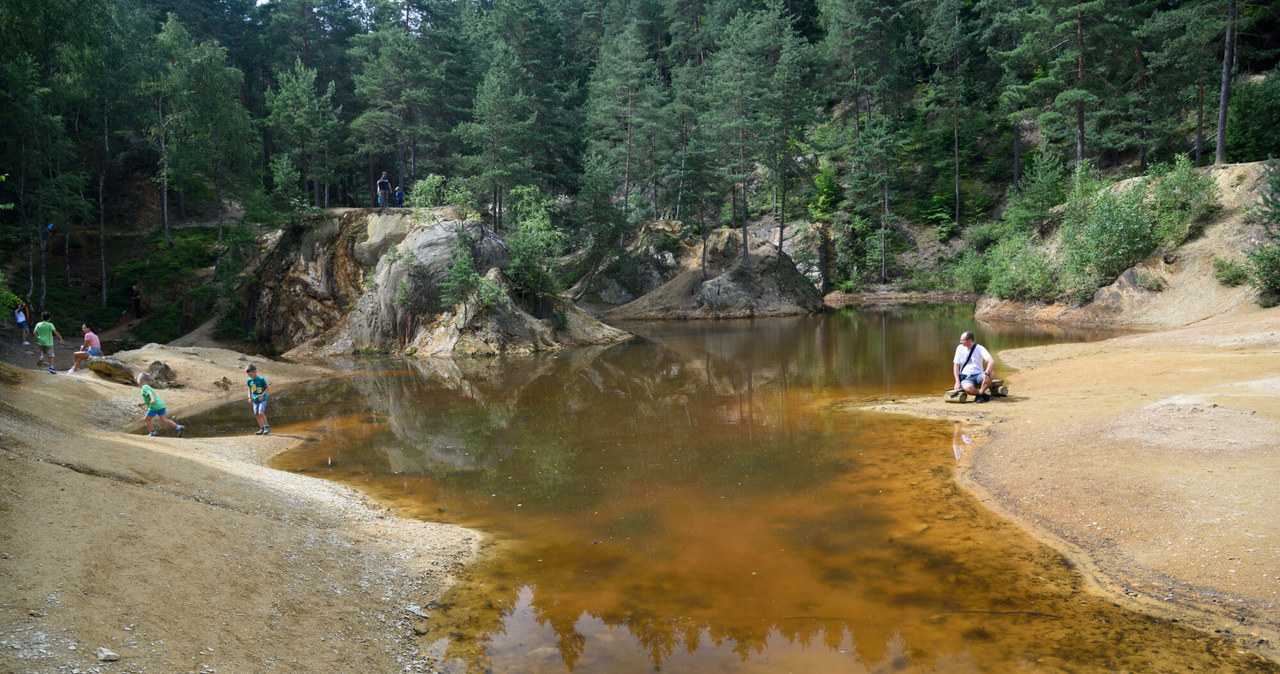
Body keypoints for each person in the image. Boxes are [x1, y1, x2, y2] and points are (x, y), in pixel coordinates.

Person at [952, 330, 996, 403]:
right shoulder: (959, 348)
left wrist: (986, 373)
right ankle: (982, 395)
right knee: (967, 388)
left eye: (962, 340)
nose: (960, 342)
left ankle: (980, 394)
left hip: (979, 375)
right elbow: (956, 365)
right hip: (966, 377)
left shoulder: (979, 348)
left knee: (991, 373)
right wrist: (957, 381)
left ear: (969, 340)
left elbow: (991, 361)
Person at [137, 373, 184, 437]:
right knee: (164, 420)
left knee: (147, 419)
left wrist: (152, 400)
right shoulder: (148, 386)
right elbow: (149, 398)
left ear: (140, 380)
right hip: (161, 405)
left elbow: (150, 394)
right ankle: (178, 427)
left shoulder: (144, 387)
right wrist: (143, 404)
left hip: (154, 407)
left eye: (137, 378)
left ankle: (153, 433)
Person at [245, 363, 270, 435]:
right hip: (255, 400)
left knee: (260, 412)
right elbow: (249, 389)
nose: (250, 376)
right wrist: (249, 397)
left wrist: (262, 395)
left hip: (262, 399)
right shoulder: (249, 380)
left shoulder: (261, 379)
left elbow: (267, 387)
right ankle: (262, 429)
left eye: (251, 374)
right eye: (249, 375)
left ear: (255, 371)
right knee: (256, 414)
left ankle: (266, 427)